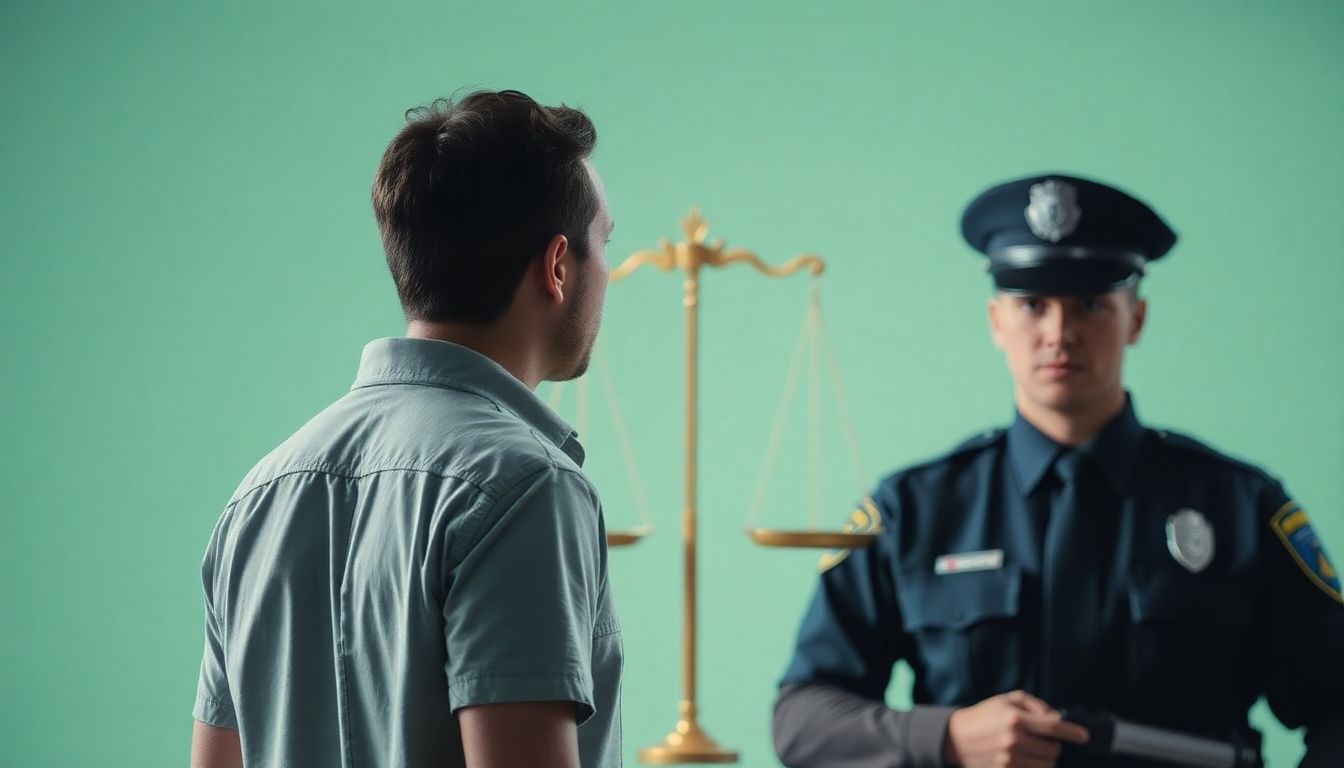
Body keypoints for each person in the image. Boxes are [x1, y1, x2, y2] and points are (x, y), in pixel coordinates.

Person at [772, 173, 1344, 768]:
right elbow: (803, 718)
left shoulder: (1240, 508)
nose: (1059, 334)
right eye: (1032, 306)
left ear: (1137, 319)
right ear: (996, 321)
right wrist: (945, 737)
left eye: (1090, 304)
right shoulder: (914, 509)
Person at [189, 90, 621, 768]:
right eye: (606, 244)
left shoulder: (258, 497)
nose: (611, 272)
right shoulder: (525, 489)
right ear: (559, 265)